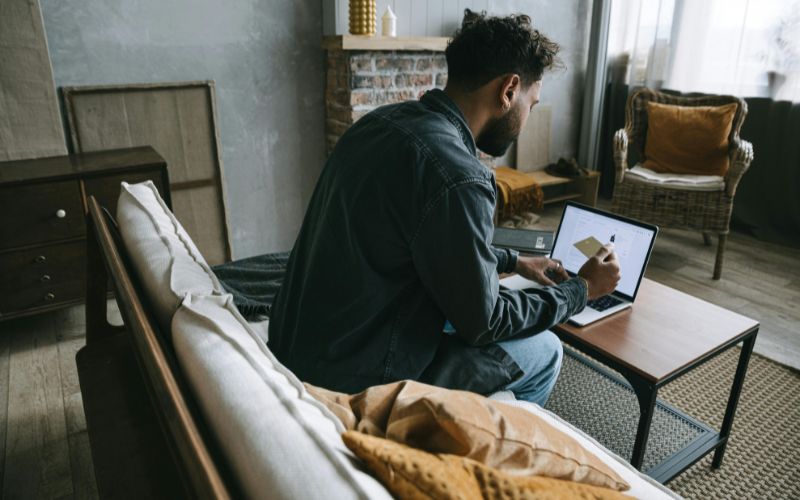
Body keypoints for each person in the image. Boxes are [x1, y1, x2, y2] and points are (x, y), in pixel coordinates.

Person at [268, 11, 620, 406]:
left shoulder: (378, 124)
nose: (526, 118)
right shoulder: (461, 177)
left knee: (472, 299)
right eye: (531, 104)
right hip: (357, 377)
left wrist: (513, 260)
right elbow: (486, 323)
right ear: (509, 90)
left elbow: (422, 239)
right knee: (546, 351)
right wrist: (582, 289)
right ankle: (479, 441)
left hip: (299, 344)